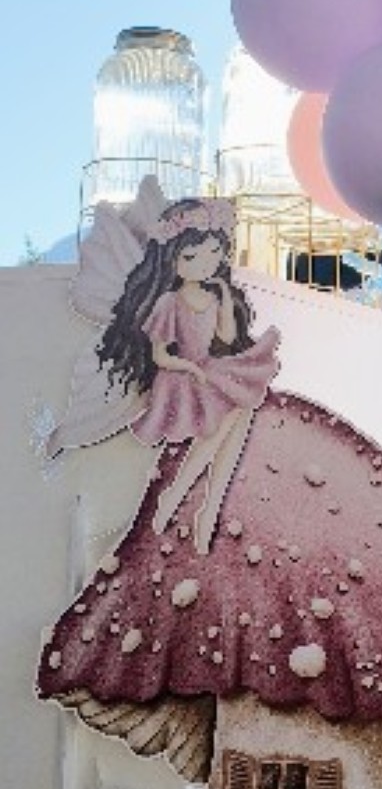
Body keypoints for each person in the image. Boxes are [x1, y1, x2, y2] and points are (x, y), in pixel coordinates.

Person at [97, 197, 279, 553]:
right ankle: (180, 495)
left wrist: (224, 297)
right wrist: (190, 367)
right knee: (233, 414)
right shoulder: (169, 302)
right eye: (192, 256)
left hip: (209, 369)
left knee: (241, 412)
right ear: (173, 260)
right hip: (181, 377)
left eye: (213, 252)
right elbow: (160, 354)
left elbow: (226, 337)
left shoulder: (213, 296)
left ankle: (210, 507)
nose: (205, 262)